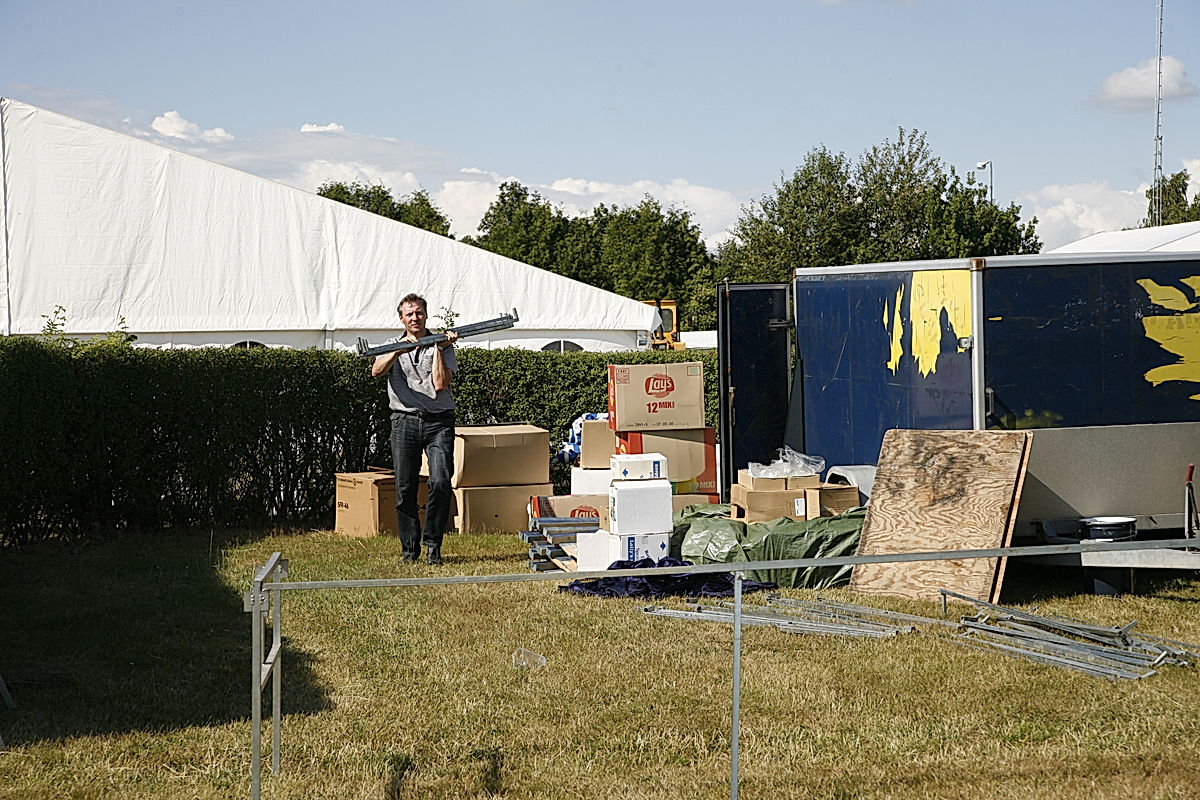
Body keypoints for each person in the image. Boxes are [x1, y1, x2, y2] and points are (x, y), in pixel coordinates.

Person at [371, 294, 459, 565]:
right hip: (404, 422)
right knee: (405, 488)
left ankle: (432, 545)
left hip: (438, 422)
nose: (415, 318)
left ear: (426, 315)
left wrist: (438, 348)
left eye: (419, 313)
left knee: (441, 481)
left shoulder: (443, 345)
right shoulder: (392, 344)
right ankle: (409, 551)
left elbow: (440, 384)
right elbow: (376, 371)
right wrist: (397, 351)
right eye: (409, 314)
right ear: (401, 319)